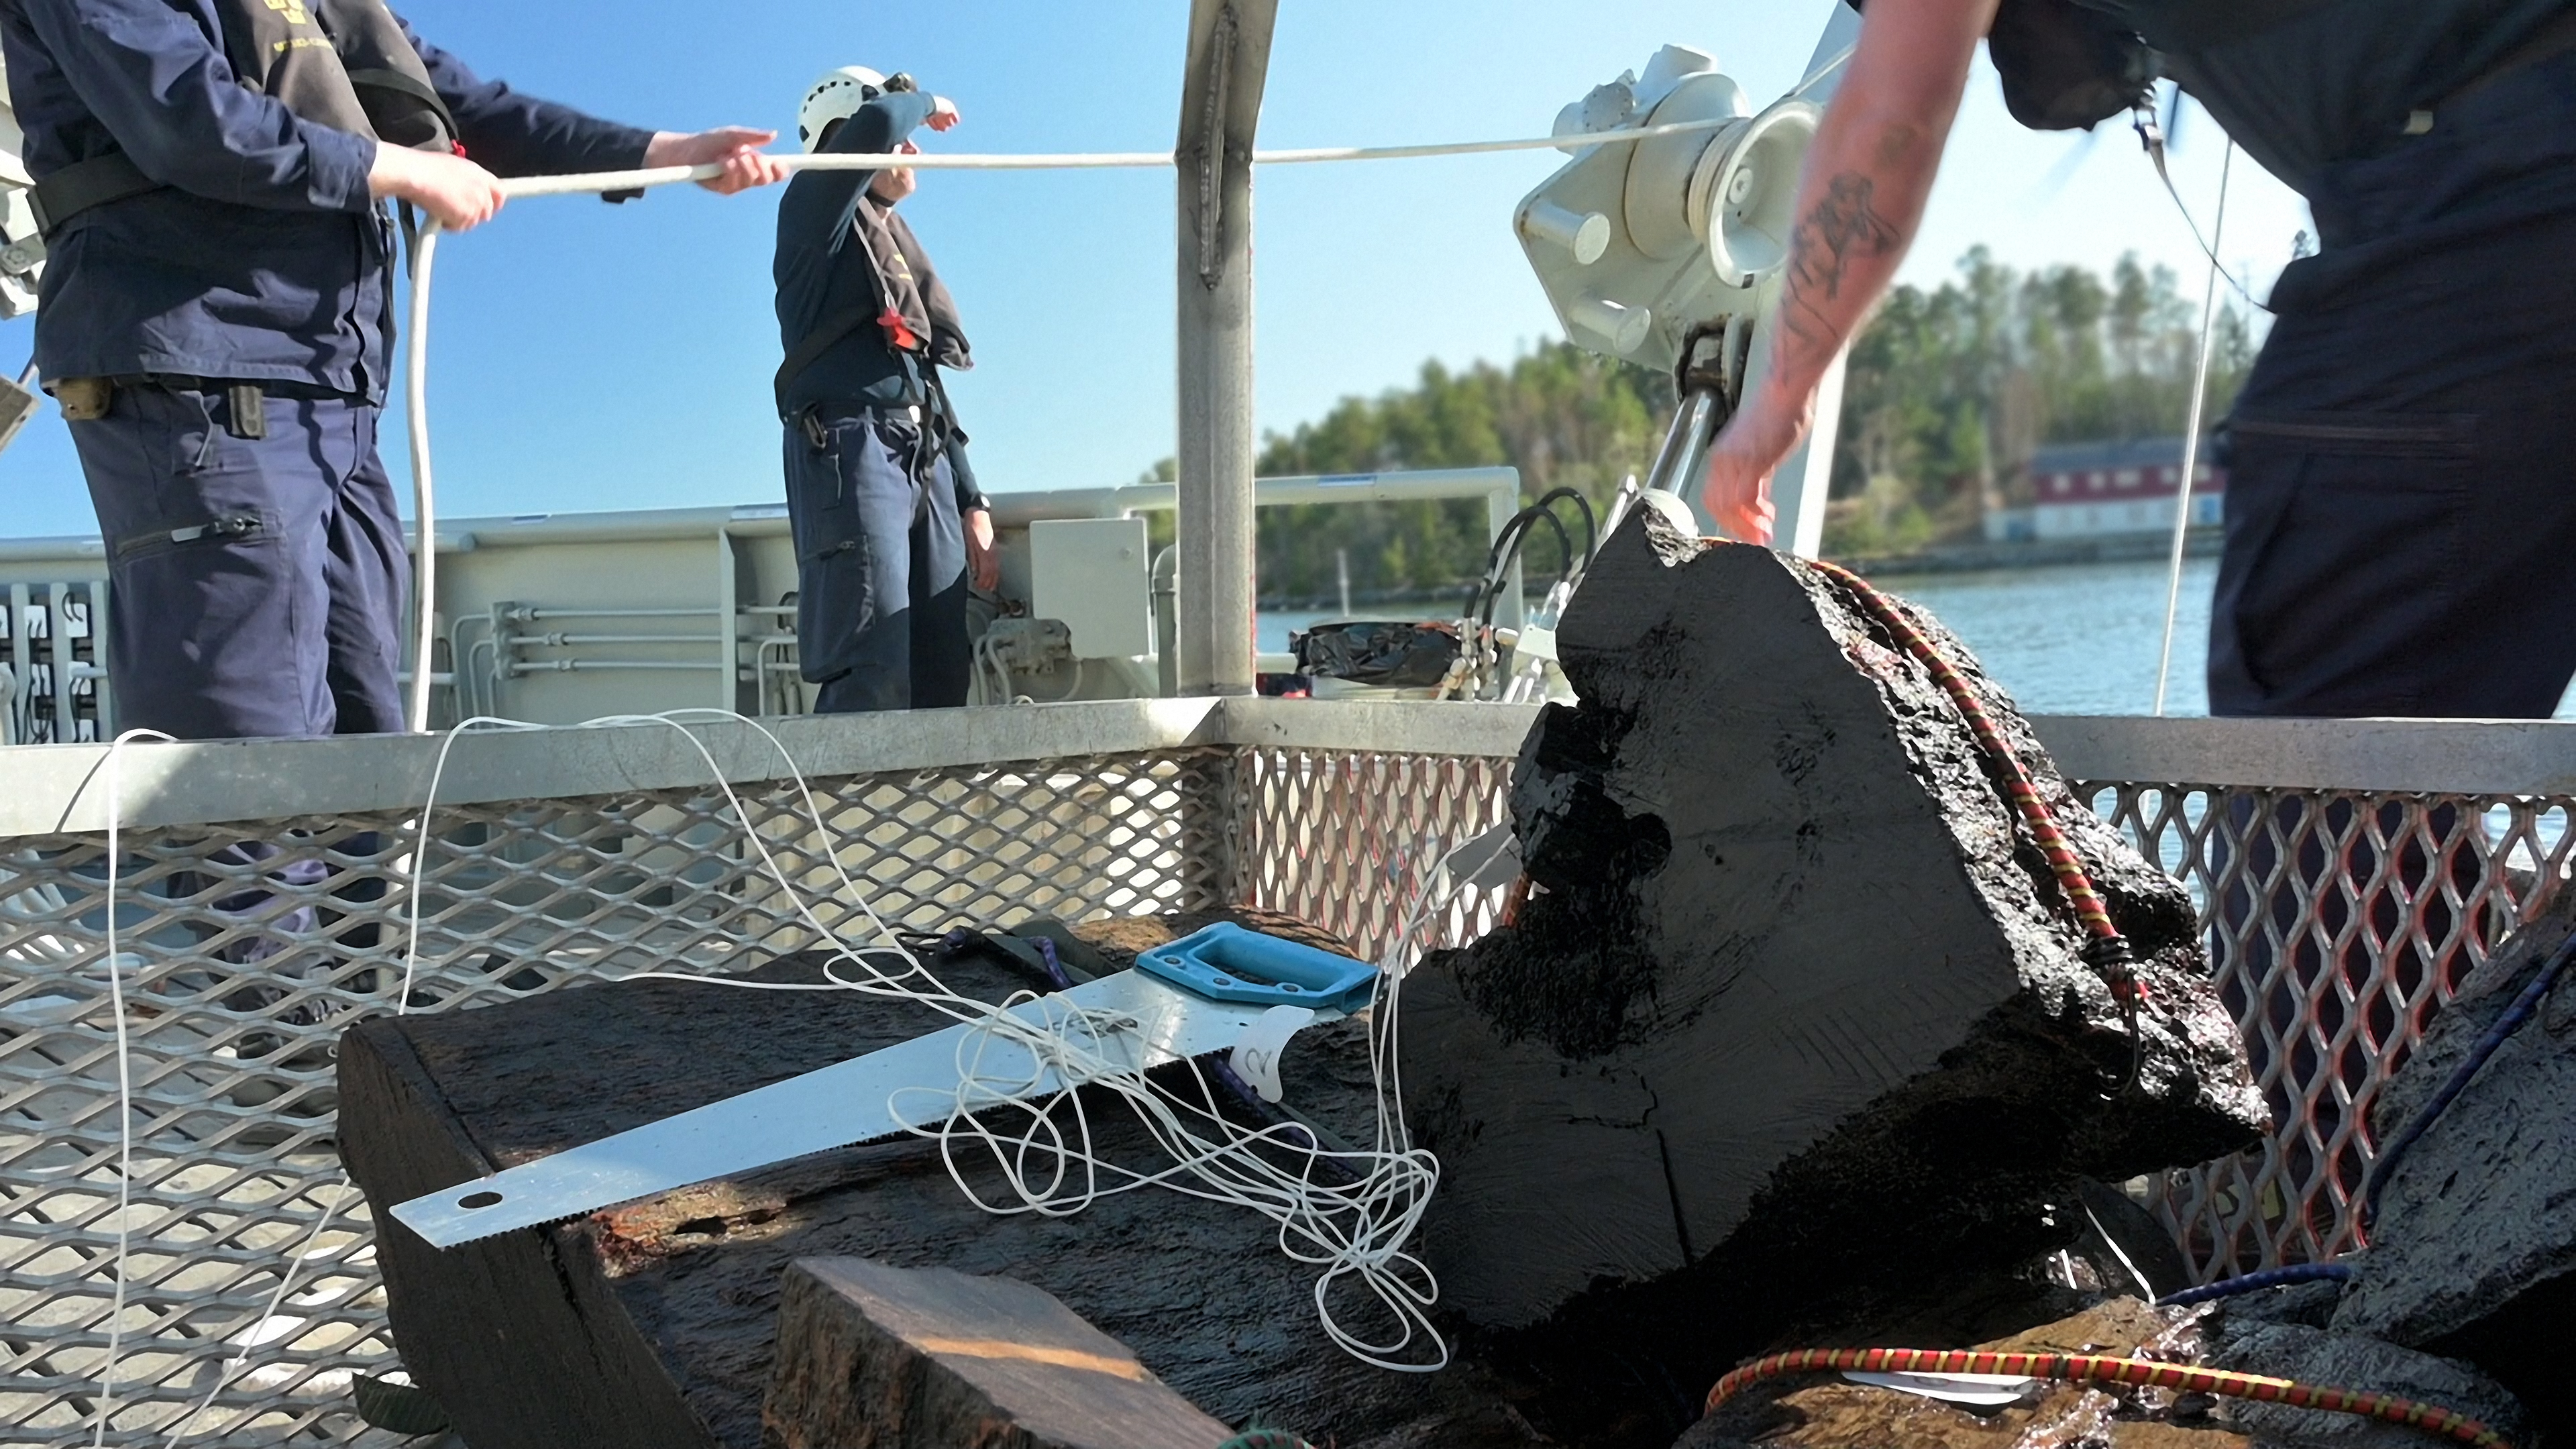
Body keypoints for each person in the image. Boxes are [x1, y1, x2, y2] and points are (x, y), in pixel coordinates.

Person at [1701, 0, 2576, 720]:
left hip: (2494, 197)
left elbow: (1891, 118)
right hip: (2500, 169)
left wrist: (1776, 400)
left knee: (2327, 790)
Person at [0, 0, 788, 743]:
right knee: (247, 750)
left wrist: (662, 153)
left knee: (367, 734)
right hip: (201, 380)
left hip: (336, 398)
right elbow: (187, 117)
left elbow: (452, 99)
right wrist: (400, 169)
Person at [773, 66, 999, 714]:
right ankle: (851, 789)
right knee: (872, 663)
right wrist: (923, 100)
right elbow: (876, 124)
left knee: (940, 666)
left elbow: (926, 381)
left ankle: (930, 789)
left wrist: (971, 498)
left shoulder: (890, 250)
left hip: (924, 458)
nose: (913, 147)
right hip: (852, 447)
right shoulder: (813, 207)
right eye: (903, 139)